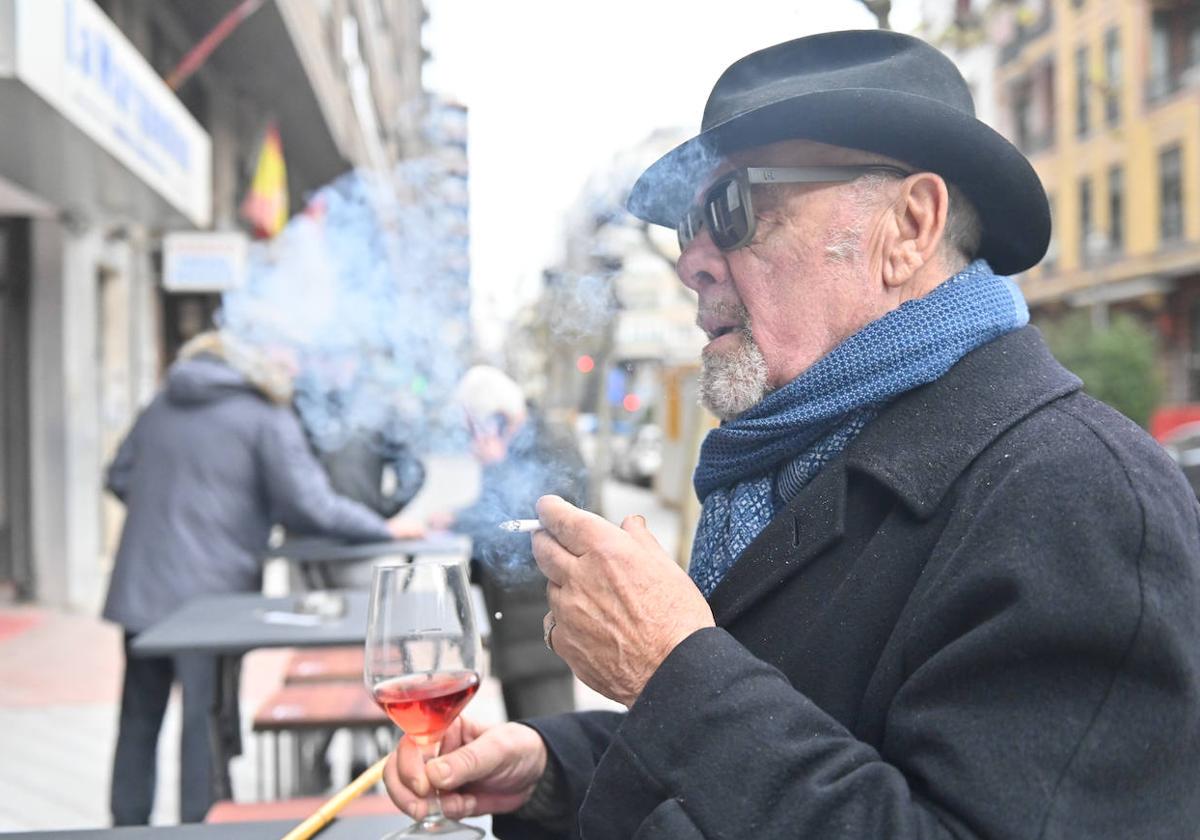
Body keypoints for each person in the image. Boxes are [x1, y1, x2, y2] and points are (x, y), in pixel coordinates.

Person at [381, 30, 1200, 839]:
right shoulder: (798, 459)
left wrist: (673, 671)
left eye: (733, 211)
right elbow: (792, 752)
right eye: (684, 228)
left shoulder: (1081, 497)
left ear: (910, 226)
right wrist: (551, 770)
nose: (691, 263)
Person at [103, 330, 418, 825]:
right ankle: (197, 830)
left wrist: (168, 511)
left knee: (138, 724)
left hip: (142, 588)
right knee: (202, 727)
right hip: (211, 599)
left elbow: (117, 476)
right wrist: (383, 528)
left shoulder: (161, 404)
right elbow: (310, 504)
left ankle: (124, 831)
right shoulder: (265, 414)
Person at [430, 365, 587, 720]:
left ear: (498, 418)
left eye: (473, 428)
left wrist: (497, 466)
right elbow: (494, 516)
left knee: (548, 737)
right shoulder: (513, 440)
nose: (472, 442)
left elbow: (546, 518)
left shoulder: (550, 442)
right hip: (516, 625)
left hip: (542, 627)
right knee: (521, 736)